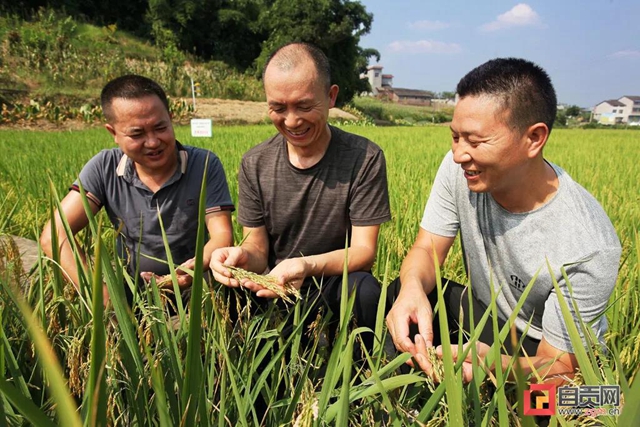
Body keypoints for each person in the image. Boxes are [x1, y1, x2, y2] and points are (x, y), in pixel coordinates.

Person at [386, 58, 621, 384]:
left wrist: (492, 364)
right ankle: (398, 404)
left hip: (550, 353)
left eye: (476, 141)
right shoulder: (461, 169)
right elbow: (427, 248)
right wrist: (411, 288)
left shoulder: (588, 244)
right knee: (399, 297)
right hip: (486, 317)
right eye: (455, 137)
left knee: (567, 405)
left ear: (534, 138)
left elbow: (561, 367)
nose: (459, 154)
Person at [210, 42, 391, 350]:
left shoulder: (364, 158)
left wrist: (305, 266)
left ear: (331, 96)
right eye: (278, 108)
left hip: (334, 280)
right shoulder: (256, 162)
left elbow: (363, 252)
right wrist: (241, 257)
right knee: (225, 288)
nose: (292, 121)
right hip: (275, 282)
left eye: (304, 107)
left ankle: (361, 384)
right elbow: (256, 244)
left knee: (365, 290)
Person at [40, 74, 234, 307]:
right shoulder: (105, 168)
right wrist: (102, 296)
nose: (153, 142)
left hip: (196, 293)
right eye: (137, 134)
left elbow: (222, 235)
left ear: (171, 119)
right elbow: (54, 235)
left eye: (160, 127)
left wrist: (188, 271)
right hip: (129, 295)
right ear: (113, 133)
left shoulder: (203, 164)